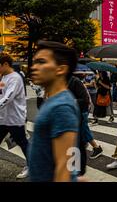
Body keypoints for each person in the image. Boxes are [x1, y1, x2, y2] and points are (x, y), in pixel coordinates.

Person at [28, 41, 80, 182]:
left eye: (41, 62)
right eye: (34, 62)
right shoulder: (52, 100)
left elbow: (64, 166)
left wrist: (70, 177)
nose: (34, 67)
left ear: (60, 69)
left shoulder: (61, 107)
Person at [0, 53, 29, 179]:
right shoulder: (4, 77)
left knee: (23, 143)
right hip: (3, 118)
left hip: (15, 119)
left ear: (5, 64)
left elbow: (8, 97)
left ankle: (31, 166)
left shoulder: (15, 78)